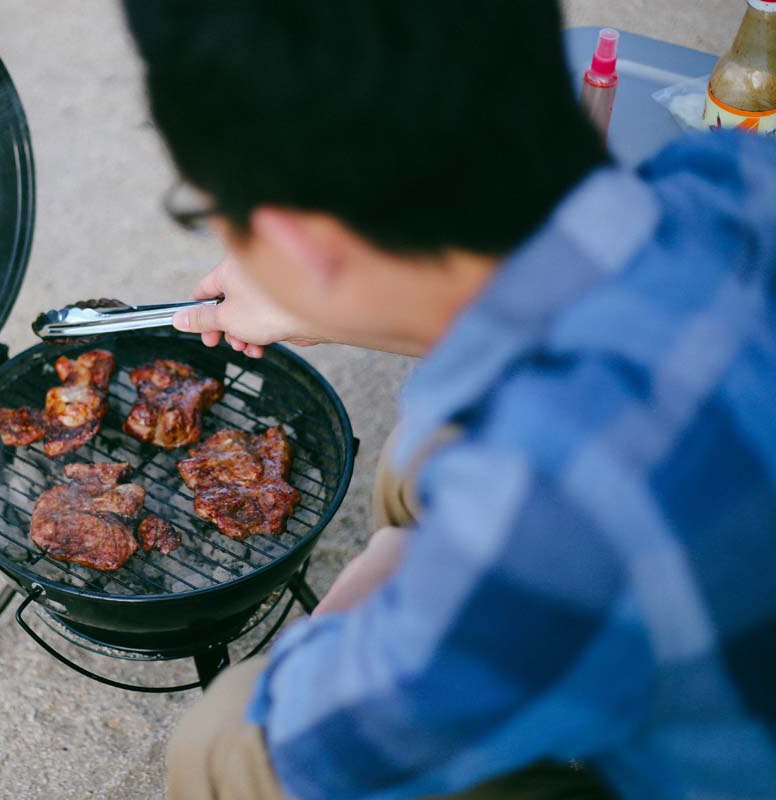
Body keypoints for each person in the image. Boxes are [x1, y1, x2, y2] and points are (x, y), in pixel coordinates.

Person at [119, 1, 776, 798]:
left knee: (221, 746)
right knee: (416, 459)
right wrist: (322, 301)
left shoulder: (548, 522)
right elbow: (561, 306)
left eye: (210, 214)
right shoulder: (730, 176)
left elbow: (284, 750)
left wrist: (396, 585)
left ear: (298, 236)